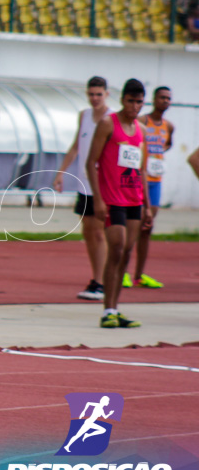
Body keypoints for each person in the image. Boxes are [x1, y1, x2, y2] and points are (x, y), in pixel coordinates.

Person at [85, 79, 151, 330]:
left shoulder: (141, 130)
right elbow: (91, 162)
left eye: (139, 102)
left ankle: (115, 308)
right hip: (112, 199)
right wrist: (98, 198)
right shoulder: (107, 124)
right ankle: (107, 310)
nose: (135, 106)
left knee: (126, 253)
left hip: (134, 198)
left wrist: (146, 204)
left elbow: (141, 169)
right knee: (116, 247)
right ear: (122, 100)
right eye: (131, 101)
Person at [53, 77, 111, 301]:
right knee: (88, 231)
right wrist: (61, 173)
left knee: (98, 231)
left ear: (106, 94)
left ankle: (101, 281)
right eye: (91, 94)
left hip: (102, 183)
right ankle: (98, 278)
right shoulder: (84, 115)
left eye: (99, 94)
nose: (94, 98)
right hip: (83, 182)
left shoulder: (111, 118)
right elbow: (76, 146)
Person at [126, 86, 173, 289]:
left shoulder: (169, 126)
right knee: (131, 229)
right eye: (162, 97)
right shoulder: (142, 121)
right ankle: (123, 272)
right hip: (138, 180)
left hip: (156, 181)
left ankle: (139, 275)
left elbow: (167, 145)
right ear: (153, 99)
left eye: (168, 98)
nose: (165, 101)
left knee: (147, 227)